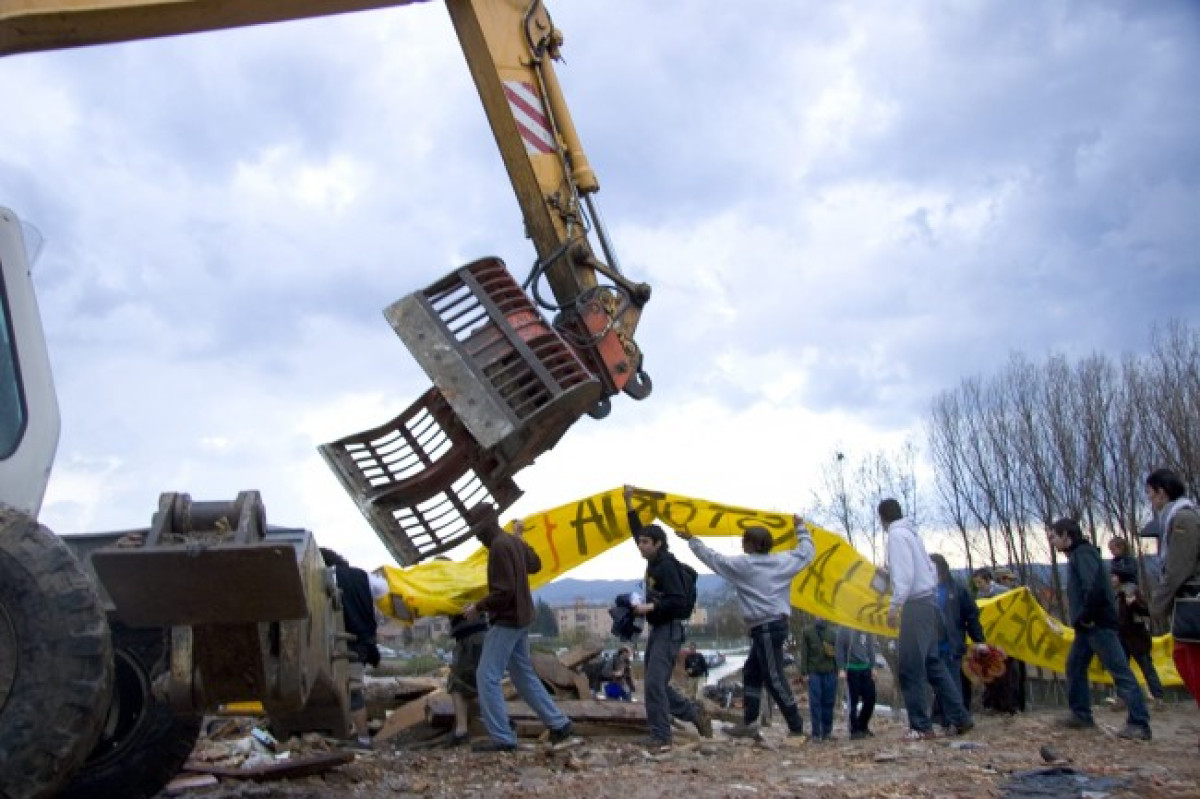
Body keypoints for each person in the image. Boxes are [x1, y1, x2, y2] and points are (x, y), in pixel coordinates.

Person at [671, 505, 814, 740]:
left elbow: (713, 559)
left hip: (765, 626)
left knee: (774, 676)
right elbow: (806, 552)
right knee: (752, 671)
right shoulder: (783, 561)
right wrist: (801, 529)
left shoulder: (744, 567)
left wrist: (692, 540)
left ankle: (796, 726)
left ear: (753, 544)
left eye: (744, 541)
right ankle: (750, 723)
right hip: (774, 625)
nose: (741, 544)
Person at [461, 505, 578, 753]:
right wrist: (522, 539)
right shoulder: (512, 542)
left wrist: (478, 607)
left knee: (486, 676)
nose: (476, 536)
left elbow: (504, 592)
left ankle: (503, 737)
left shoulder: (499, 548)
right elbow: (535, 564)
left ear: (488, 526)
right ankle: (559, 724)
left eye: (478, 531)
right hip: (522, 619)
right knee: (522, 674)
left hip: (507, 620)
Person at [624, 487, 713, 750]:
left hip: (669, 629)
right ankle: (692, 712)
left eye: (645, 542)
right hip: (659, 628)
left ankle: (661, 736)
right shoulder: (654, 559)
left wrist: (647, 608)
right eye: (639, 542)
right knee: (657, 682)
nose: (640, 546)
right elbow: (637, 530)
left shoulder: (666, 565)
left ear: (658, 544)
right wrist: (629, 504)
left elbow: (678, 602)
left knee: (653, 683)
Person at [1048, 517, 1151, 740]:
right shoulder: (1079, 555)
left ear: (1067, 535)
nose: (1053, 541)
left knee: (1120, 672)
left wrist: (1086, 615)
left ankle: (1139, 723)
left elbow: (1093, 586)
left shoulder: (1083, 554)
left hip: (1097, 623)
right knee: (1074, 665)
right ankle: (1080, 714)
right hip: (1087, 627)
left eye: (1055, 536)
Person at [880, 498, 973, 740]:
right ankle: (960, 717)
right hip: (929, 603)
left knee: (911, 667)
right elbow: (928, 569)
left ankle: (920, 726)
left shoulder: (896, 536)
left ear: (882, 519)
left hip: (915, 605)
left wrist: (894, 605)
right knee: (934, 665)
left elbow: (905, 574)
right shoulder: (913, 534)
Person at [320, 547, 390, 750]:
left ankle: (363, 739)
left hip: (345, 641)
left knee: (352, 690)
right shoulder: (363, 575)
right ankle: (351, 732)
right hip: (365, 641)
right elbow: (383, 589)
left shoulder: (327, 576)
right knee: (351, 688)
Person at [1146, 468, 1200, 712]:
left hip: (1192, 604)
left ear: (1162, 492)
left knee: (1190, 661)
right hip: (1186, 605)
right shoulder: (1175, 519)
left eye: (1151, 493)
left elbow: (1179, 567)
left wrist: (1158, 604)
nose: (1150, 500)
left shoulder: (1183, 519)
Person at [930, 554, 987, 722]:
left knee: (953, 683)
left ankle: (958, 718)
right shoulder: (925, 590)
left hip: (951, 646)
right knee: (938, 684)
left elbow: (971, 615)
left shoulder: (957, 589)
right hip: (931, 647)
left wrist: (979, 640)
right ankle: (941, 718)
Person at [1111, 573, 1165, 710]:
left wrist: (1134, 603)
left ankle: (1158, 698)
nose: (1111, 579)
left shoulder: (1132, 590)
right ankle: (1122, 698)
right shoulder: (1114, 594)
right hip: (1121, 637)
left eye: (1114, 576)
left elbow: (1146, 611)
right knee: (1121, 670)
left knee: (1147, 668)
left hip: (1136, 637)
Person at [446, 611, 489, 745]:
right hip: (478, 634)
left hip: (469, 636)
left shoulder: (454, 591)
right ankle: (500, 721)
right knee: (483, 680)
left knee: (456, 682)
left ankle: (462, 731)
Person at [835, 625, 877, 739]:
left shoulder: (866, 628)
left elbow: (870, 647)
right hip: (852, 669)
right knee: (852, 701)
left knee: (870, 698)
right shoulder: (844, 628)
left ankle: (863, 725)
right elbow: (839, 648)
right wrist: (841, 668)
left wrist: (873, 666)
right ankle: (854, 729)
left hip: (865, 668)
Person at [800, 617, 838, 740]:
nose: (820, 617)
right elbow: (804, 653)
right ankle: (816, 732)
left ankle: (827, 731)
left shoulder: (832, 633)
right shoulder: (807, 632)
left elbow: (837, 654)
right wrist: (804, 672)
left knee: (828, 702)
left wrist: (838, 670)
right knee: (815, 703)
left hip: (829, 672)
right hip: (814, 672)